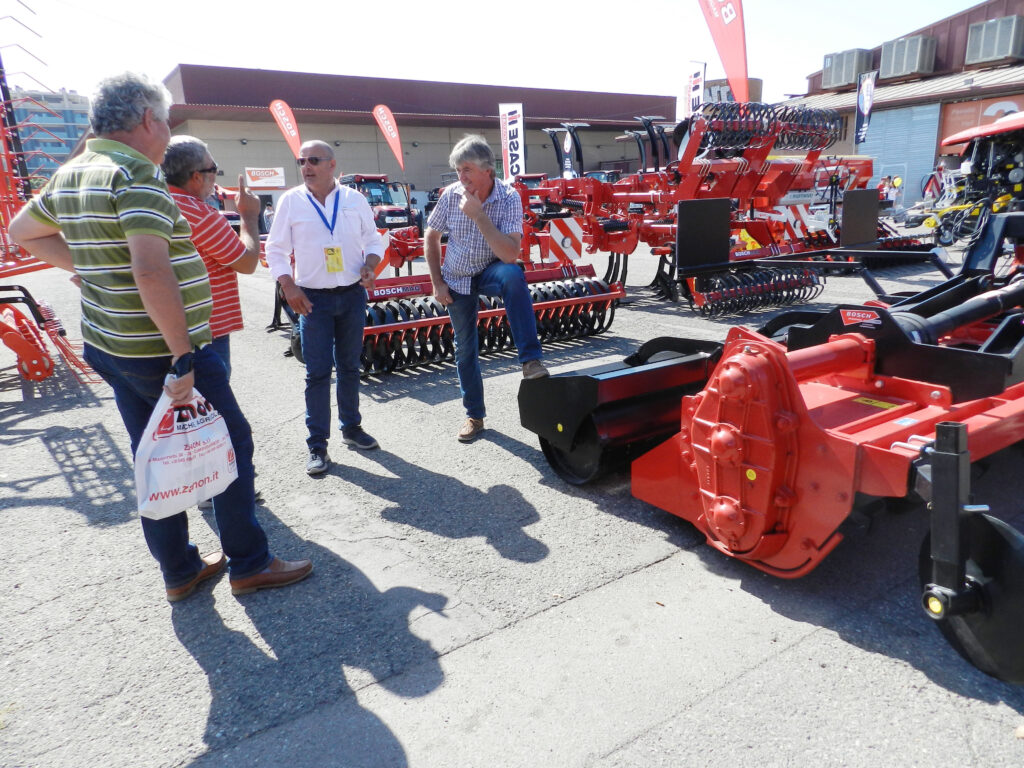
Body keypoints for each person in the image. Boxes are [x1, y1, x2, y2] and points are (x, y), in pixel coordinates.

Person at [9, 72, 312, 601]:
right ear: (148, 119)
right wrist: (182, 356)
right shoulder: (134, 175)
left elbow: (22, 232)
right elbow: (151, 270)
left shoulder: (73, 173)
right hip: (158, 349)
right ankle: (250, 563)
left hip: (110, 344)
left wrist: (93, 270)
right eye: (166, 121)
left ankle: (180, 569)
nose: (168, 132)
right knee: (230, 443)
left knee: (151, 452)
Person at [264, 140, 383, 475]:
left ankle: (352, 428)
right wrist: (288, 286)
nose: (306, 167)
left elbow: (373, 240)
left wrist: (370, 265)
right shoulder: (291, 201)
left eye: (313, 160)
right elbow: (275, 250)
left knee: (349, 366)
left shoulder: (354, 200)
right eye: (301, 161)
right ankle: (317, 445)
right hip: (312, 299)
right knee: (317, 373)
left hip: (352, 295)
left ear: (332, 164)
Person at [424, 134, 548, 443]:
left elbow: (510, 253)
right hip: (457, 277)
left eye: (466, 169)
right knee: (465, 349)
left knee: (513, 275)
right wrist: (437, 282)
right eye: (458, 170)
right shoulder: (450, 196)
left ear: (487, 171)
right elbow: (431, 236)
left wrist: (479, 215)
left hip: (490, 269)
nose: (461, 177)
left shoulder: (508, 197)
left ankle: (530, 361)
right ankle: (474, 416)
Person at [161, 135, 260, 379]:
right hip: (204, 332)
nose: (216, 177)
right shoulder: (200, 214)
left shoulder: (154, 204)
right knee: (210, 398)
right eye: (214, 169)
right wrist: (248, 215)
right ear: (196, 177)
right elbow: (247, 262)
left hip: (161, 327)